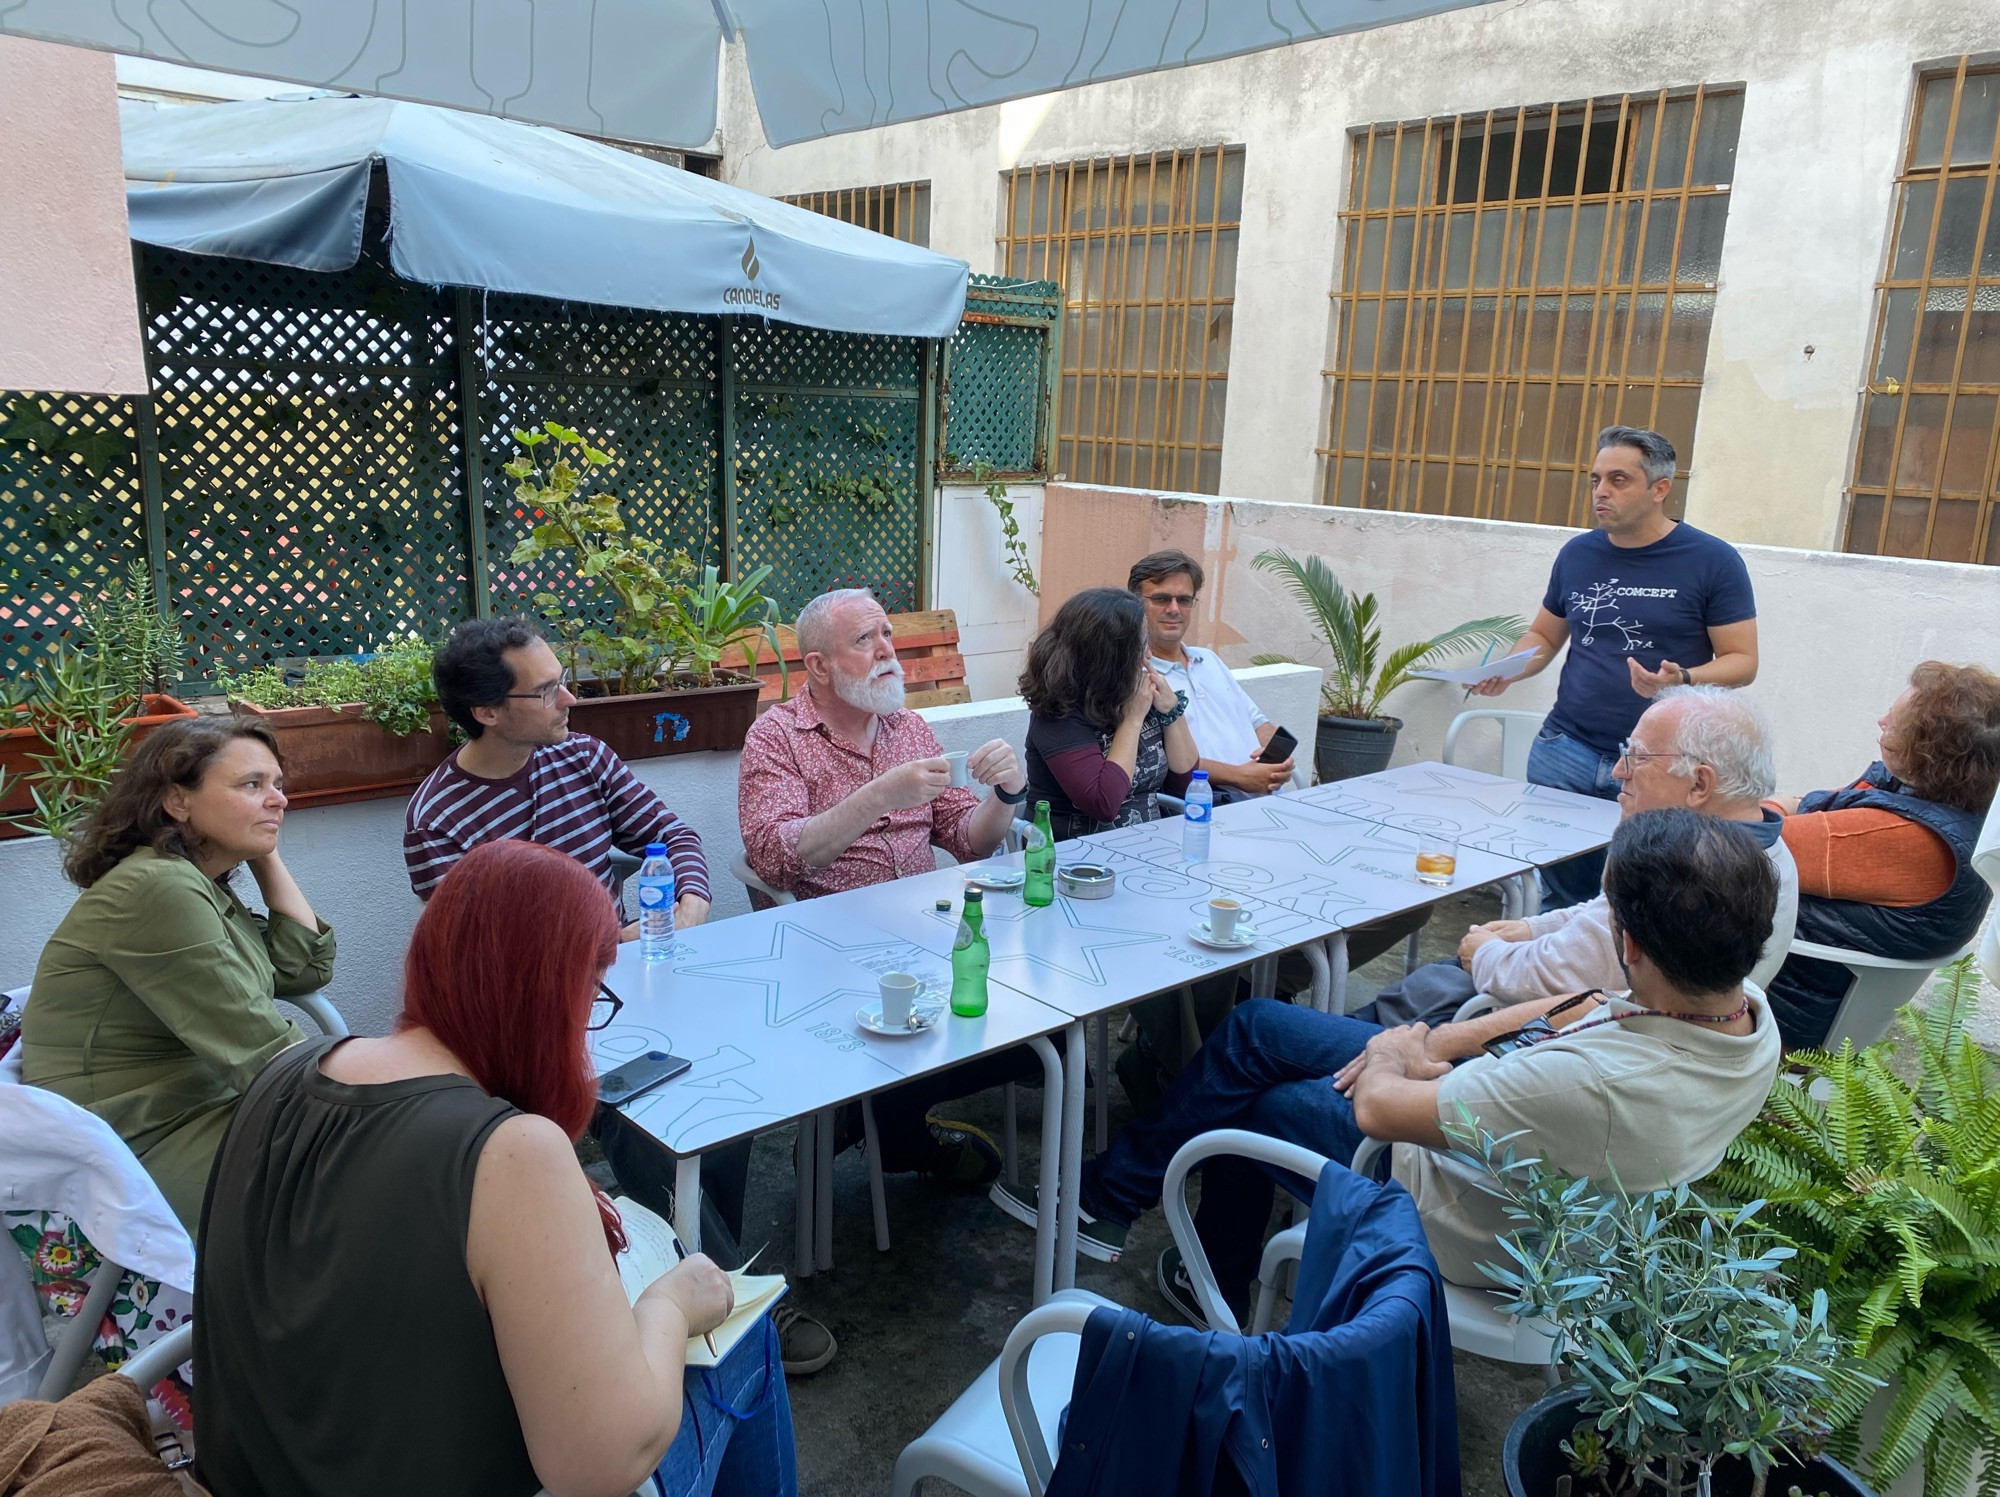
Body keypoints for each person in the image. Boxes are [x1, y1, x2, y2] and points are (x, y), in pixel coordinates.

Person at [1000, 809, 1782, 1326]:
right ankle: (1119, 1195)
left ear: (1636, 944)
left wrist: (1395, 1053)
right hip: (1492, 1113)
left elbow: (1379, 1112)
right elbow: (1582, 1000)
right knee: (1258, 1026)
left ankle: (1214, 1279)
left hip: (1457, 1202)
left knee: (1259, 1102)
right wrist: (1436, 1043)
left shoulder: (1592, 1086)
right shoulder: (1734, 1005)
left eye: (1610, 921)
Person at [193, 840, 795, 1497]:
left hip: (261, 1471)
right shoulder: (511, 1153)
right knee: (748, 1338)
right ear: (553, 992)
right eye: (592, 993)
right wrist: (670, 1305)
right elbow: (601, 1462)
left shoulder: (284, 1073)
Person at [737, 588, 1037, 1190]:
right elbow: (772, 855)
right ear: (819, 666)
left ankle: (873, 1116)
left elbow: (966, 837)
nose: (886, 651)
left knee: (1036, 1038)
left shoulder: (908, 727)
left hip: (926, 925)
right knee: (974, 1032)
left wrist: (1005, 794)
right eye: (864, 640)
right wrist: (878, 795)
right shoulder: (777, 737)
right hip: (831, 943)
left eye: (887, 635)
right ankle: (893, 1126)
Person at [20, 718, 333, 1231]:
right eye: (252, 785)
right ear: (177, 801)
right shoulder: (158, 889)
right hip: (131, 1140)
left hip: (197, 1104)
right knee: (360, 1175)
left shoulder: (196, 882)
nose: (279, 799)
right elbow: (263, 1054)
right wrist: (379, 1092)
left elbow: (301, 967)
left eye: (277, 785)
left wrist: (265, 851)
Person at [1365, 684, 1798, 1025]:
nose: (1617, 771)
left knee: (1310, 1039)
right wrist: (1529, 928)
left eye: (1637, 757)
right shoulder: (1765, 852)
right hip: (1557, 1020)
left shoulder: (1680, 876)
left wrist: (1483, 953)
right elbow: (1602, 917)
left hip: (1515, 1035)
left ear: (1700, 785)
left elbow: (1553, 979)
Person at [1469, 426, 1758, 907]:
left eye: (1619, 479)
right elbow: (1544, 634)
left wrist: (1682, 678)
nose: (1601, 491)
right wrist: (1510, 667)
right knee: (1556, 892)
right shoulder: (1578, 555)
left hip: (1661, 762)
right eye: (1596, 479)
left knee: (1640, 897)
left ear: (1659, 489)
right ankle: (1549, 981)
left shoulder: (1713, 560)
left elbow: (1742, 661)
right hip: (1567, 749)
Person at [403, 615, 711, 932]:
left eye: (561, 680)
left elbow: (672, 836)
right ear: (487, 712)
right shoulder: (436, 821)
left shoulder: (584, 757)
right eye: (547, 690)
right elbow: (474, 955)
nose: (569, 699)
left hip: (624, 968)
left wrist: (692, 898)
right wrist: (613, 946)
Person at [1761, 660, 2000, 1048]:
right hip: (1820, 1004)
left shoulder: (1901, 836)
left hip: (1778, 1017)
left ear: (1929, 751)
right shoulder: (1963, 816)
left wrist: (1769, 807)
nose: (1881, 720)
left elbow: (1738, 840)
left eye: (1896, 720)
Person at [1020, 587, 1199, 842]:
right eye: (1141, 645)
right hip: (1075, 860)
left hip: (1149, 849)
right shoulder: (1058, 714)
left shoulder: (1134, 694)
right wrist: (1132, 720)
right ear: (1112, 657)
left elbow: (1188, 787)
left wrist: (1171, 710)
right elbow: (1102, 803)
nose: (1148, 654)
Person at [1129, 550, 1293, 801]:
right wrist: (1240, 776)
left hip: (1265, 799)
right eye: (1162, 599)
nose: (1174, 609)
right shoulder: (1138, 677)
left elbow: (1258, 722)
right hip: (1208, 806)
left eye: (1184, 600)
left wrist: (1277, 762)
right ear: (1135, 603)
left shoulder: (1209, 659)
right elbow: (1162, 758)